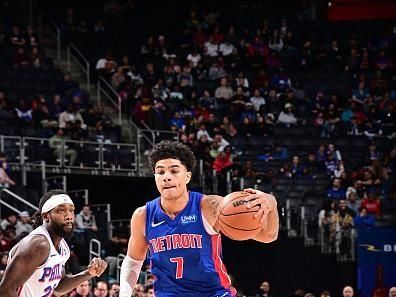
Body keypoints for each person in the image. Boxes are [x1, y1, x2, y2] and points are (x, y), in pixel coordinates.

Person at [120, 140, 279, 297]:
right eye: (160, 172)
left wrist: (271, 202)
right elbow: (133, 261)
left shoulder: (209, 207)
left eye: (174, 171)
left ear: (187, 176)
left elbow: (268, 236)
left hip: (213, 293)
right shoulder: (143, 215)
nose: (166, 177)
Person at [0, 189, 107, 297]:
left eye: (71, 210)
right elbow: (5, 290)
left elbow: (58, 288)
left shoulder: (62, 246)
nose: (69, 216)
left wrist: (88, 273)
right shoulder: (38, 244)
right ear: (46, 217)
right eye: (61, 211)